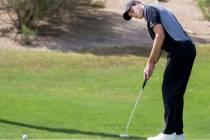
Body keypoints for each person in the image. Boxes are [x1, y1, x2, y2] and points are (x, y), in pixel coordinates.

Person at [122, 0, 196, 140]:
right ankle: (178, 133)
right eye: (131, 15)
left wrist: (149, 62)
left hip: (180, 50)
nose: (133, 15)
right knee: (176, 93)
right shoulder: (156, 9)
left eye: (132, 11)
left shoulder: (149, 10)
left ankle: (168, 133)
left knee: (168, 90)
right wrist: (153, 64)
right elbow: (162, 41)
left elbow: (159, 35)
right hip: (187, 49)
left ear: (137, 3)